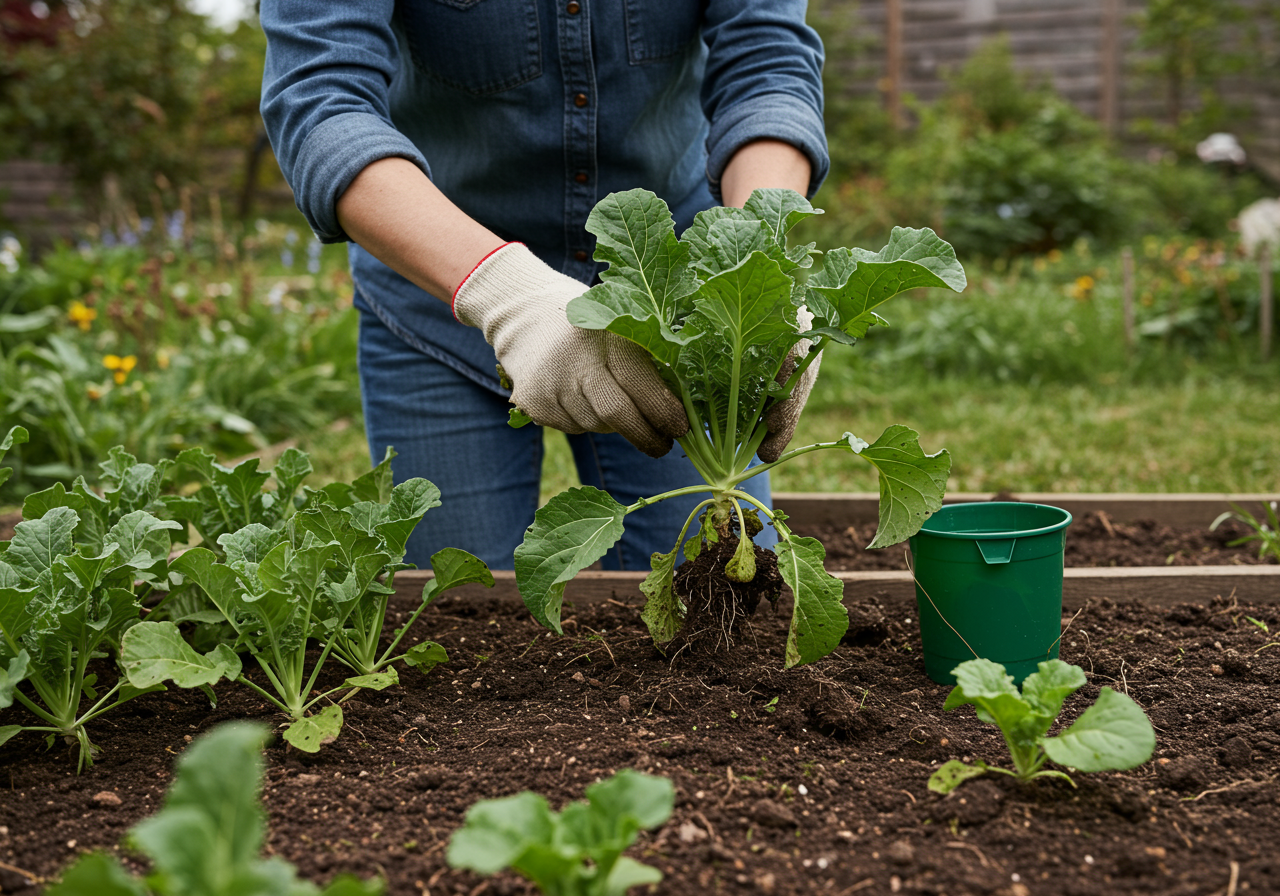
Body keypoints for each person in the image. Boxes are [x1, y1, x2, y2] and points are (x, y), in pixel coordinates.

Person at [259, 1, 829, 570]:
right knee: (456, 615)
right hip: (442, 292)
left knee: (717, 595)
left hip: (665, 310)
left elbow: (767, 66)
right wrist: (510, 296)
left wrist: (759, 271)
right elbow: (318, 102)